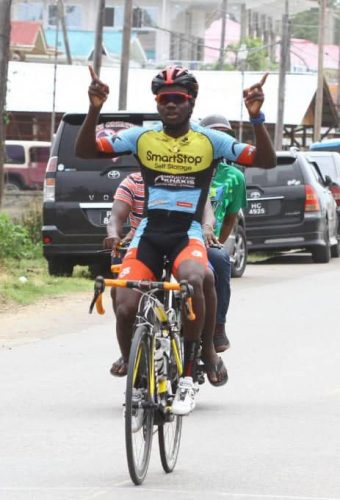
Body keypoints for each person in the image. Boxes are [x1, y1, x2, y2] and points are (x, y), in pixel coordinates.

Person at [76, 64, 276, 415]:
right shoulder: (142, 137)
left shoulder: (210, 140)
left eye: (178, 99)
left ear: (191, 102)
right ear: (157, 102)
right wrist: (94, 108)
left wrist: (256, 118)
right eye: (163, 99)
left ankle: (187, 376)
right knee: (124, 305)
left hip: (187, 233)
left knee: (196, 278)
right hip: (149, 234)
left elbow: (265, 159)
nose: (170, 104)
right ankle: (133, 368)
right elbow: (87, 151)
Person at [199, 114, 247, 352]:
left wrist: (217, 240)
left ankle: (218, 325)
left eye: (224, 138)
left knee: (221, 260)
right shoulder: (188, 167)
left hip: (207, 242)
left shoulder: (234, 177)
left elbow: (230, 217)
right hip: (178, 235)